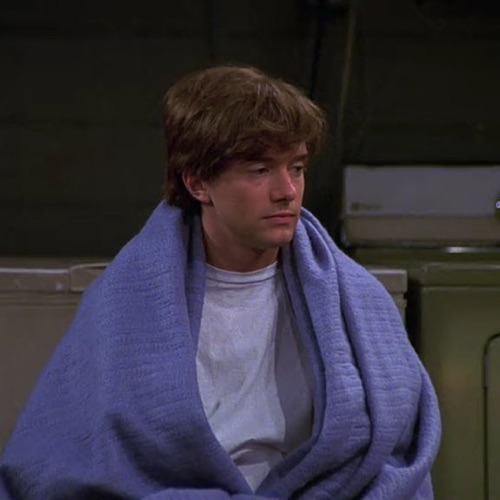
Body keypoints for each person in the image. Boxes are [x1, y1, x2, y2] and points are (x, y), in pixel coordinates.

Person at [0, 66, 441, 499]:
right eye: (259, 170)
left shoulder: (356, 298)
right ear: (198, 183)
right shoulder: (122, 306)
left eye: (297, 167)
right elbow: (60, 464)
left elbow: (395, 457)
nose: (287, 190)